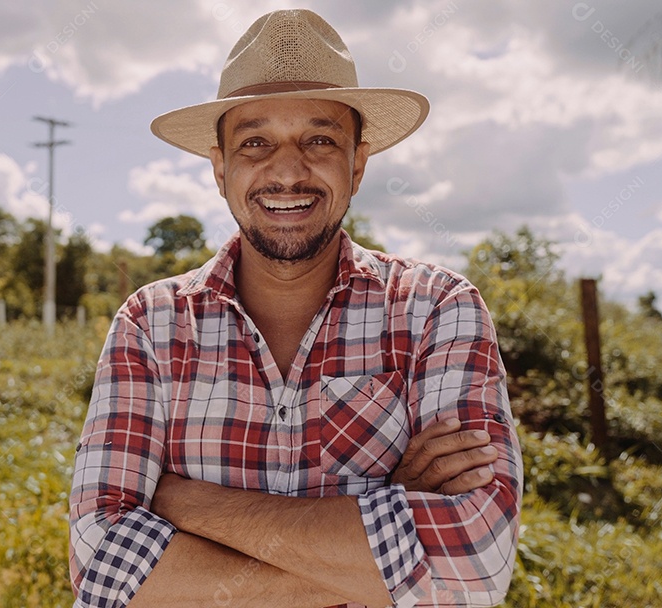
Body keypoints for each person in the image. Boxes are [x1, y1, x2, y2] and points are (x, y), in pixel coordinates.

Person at [69, 9, 522, 608]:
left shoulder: (436, 308)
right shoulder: (151, 324)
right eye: (255, 142)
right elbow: (101, 567)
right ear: (221, 168)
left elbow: (476, 563)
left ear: (357, 165)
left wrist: (183, 502)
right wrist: (381, 531)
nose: (287, 171)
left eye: (320, 140)